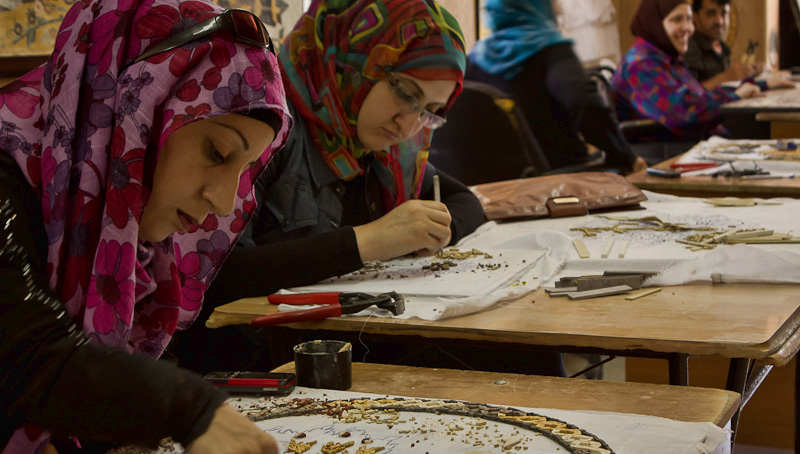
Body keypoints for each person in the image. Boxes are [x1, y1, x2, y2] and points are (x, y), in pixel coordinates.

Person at [0, 0, 292, 454]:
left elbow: (70, 411)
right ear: (134, 110)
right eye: (216, 153)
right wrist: (189, 409)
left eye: (243, 171)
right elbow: (26, 354)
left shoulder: (124, 248)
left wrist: (64, 446)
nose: (224, 201)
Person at [171, 0, 487, 375]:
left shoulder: (379, 146)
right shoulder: (267, 123)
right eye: (406, 92)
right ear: (355, 57)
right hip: (252, 371)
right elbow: (212, 275)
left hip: (346, 353)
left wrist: (427, 232)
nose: (409, 124)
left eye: (430, 111)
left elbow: (465, 201)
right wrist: (368, 242)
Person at [465, 0, 646, 174]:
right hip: (559, 182)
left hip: (495, 184)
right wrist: (625, 156)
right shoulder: (552, 51)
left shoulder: (474, 59)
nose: (558, 9)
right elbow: (585, 102)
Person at [611, 0, 770, 143]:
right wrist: (737, 95)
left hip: (688, 147)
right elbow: (684, 113)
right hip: (663, 157)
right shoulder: (640, 65)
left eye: (688, 19)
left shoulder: (668, 58)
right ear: (654, 23)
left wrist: (761, 85)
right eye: (677, 19)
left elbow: (699, 96)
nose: (688, 28)